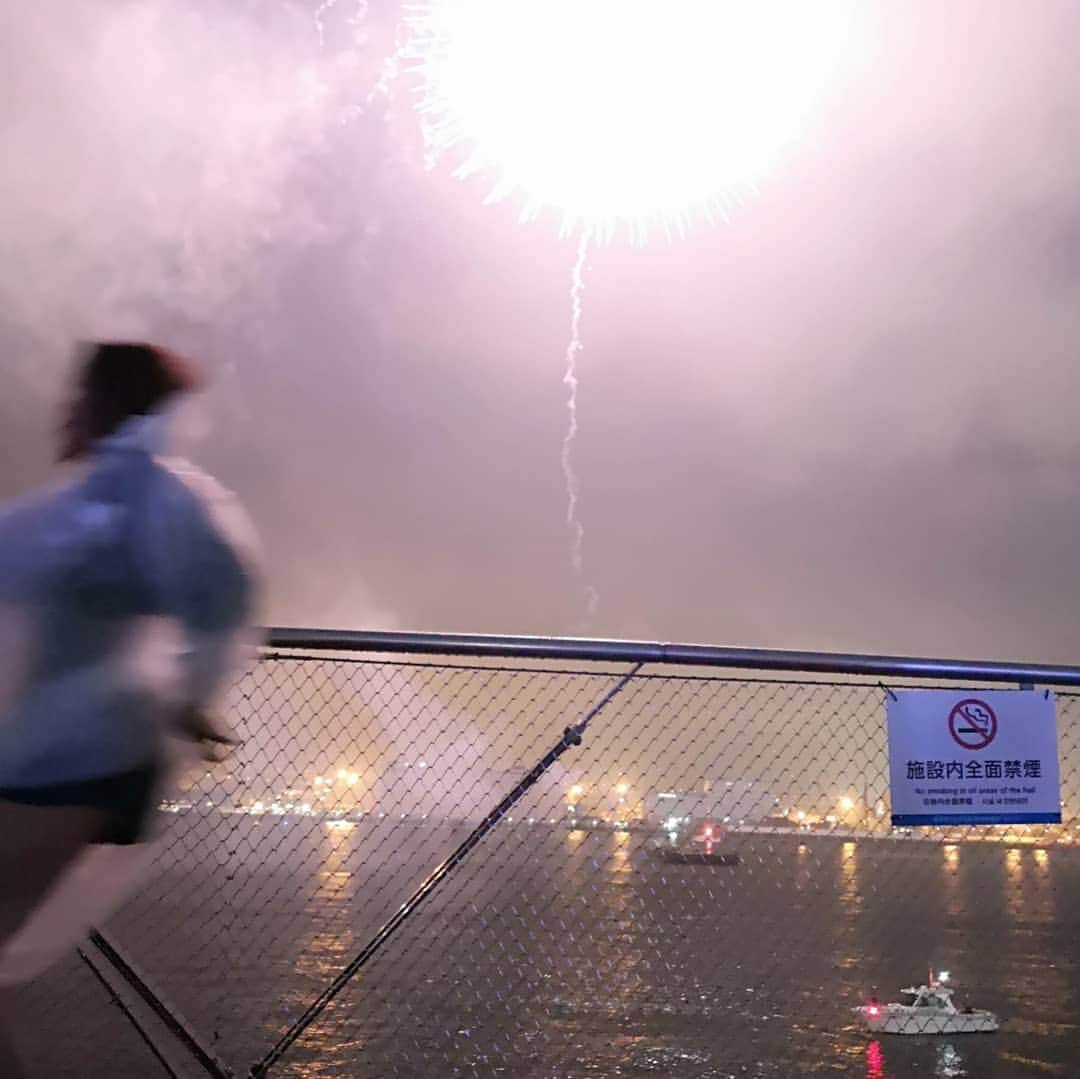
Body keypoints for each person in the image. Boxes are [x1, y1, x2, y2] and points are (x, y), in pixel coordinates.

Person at [0, 342, 260, 1075]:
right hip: (72, 756)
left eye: (77, 395)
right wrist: (184, 695)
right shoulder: (135, 494)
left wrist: (176, 693)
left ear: (106, 403)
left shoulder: (138, 497)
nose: (63, 409)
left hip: (79, 761)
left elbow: (216, 597)